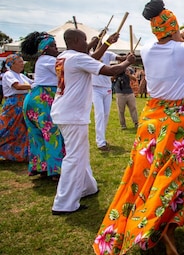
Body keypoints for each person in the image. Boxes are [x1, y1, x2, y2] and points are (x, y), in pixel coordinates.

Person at [94, 0, 184, 255]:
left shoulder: (148, 49)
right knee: (177, 177)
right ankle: (162, 229)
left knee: (144, 177)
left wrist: (177, 37)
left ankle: (148, 224)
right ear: (173, 26)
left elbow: (172, 48)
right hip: (176, 123)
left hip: (151, 121)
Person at [50, 29, 135, 215]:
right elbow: (111, 70)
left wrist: (107, 43)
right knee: (74, 157)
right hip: (71, 114)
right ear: (75, 40)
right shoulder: (77, 58)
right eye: (84, 40)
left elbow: (93, 57)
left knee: (80, 152)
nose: (86, 43)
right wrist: (128, 61)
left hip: (64, 111)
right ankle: (64, 203)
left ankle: (88, 187)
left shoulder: (65, 56)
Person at [20, 32, 65, 180]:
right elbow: (67, 69)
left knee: (37, 135)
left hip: (33, 99)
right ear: (44, 49)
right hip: (43, 100)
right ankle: (56, 170)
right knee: (53, 133)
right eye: (52, 46)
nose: (56, 48)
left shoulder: (41, 60)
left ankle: (41, 166)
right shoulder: (48, 60)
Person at [91, 43, 127, 151]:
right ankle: (100, 142)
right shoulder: (90, 56)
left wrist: (127, 58)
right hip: (95, 88)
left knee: (106, 114)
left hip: (107, 88)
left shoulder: (107, 54)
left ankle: (102, 137)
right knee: (100, 114)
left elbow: (120, 58)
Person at [0, 54, 33, 162]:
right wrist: (34, 85)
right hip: (13, 105)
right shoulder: (9, 74)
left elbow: (32, 82)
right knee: (6, 128)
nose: (22, 64)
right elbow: (17, 86)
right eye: (19, 62)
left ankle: (18, 153)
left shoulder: (22, 76)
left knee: (21, 130)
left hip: (22, 104)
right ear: (11, 64)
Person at [112, 67, 139, 131]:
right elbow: (111, 79)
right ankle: (123, 125)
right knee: (121, 110)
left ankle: (136, 123)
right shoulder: (116, 68)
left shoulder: (129, 69)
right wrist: (116, 74)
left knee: (133, 108)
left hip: (129, 92)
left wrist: (128, 74)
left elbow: (135, 79)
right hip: (119, 92)